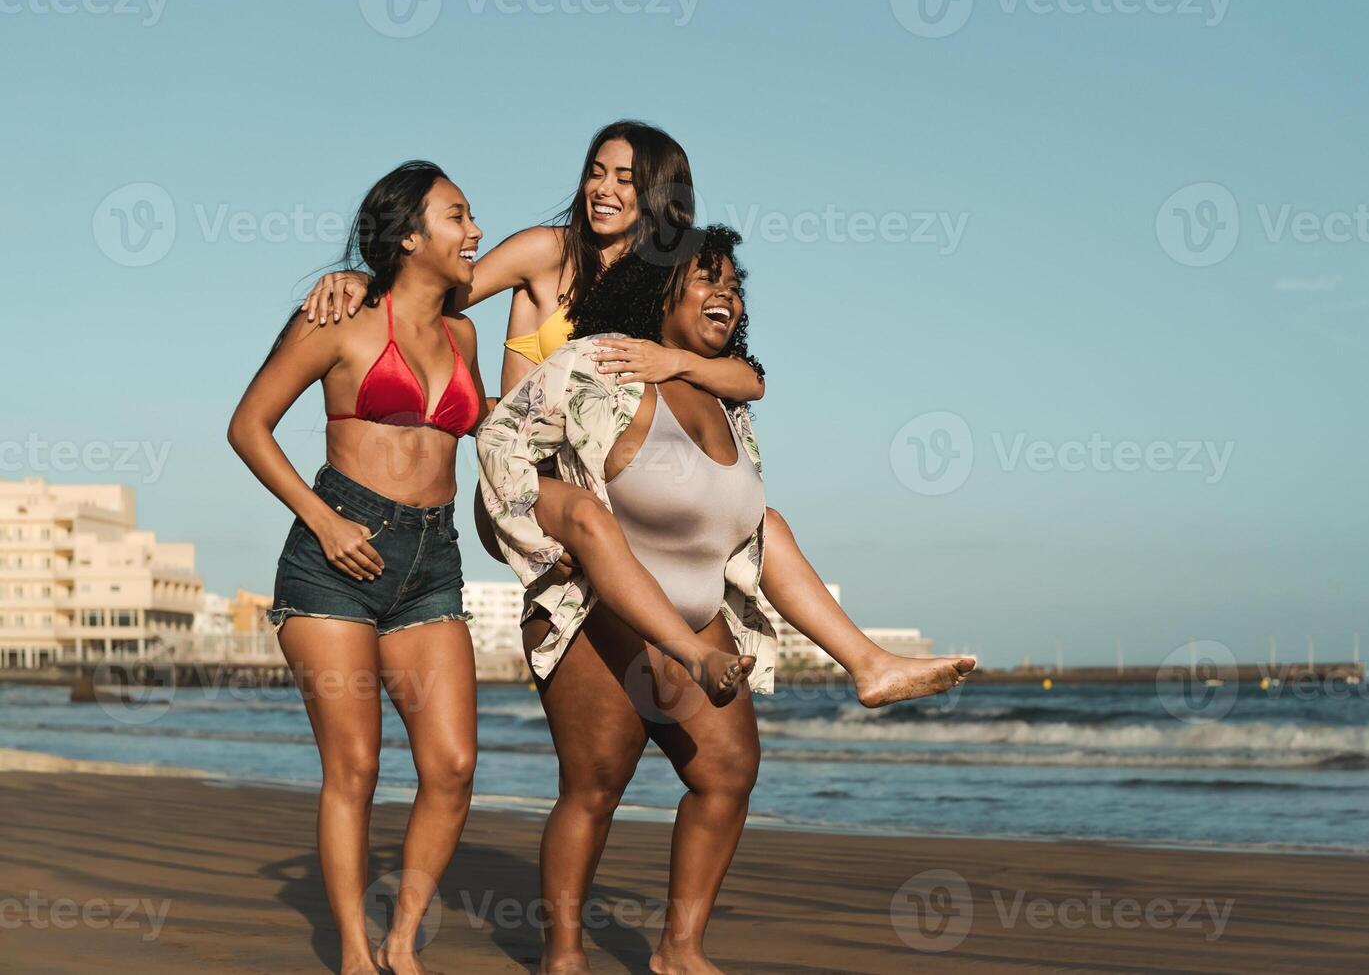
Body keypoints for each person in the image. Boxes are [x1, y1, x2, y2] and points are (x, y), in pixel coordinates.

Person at [303, 121, 974, 706]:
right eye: (596, 172)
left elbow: (747, 378)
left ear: (659, 194)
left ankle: (869, 664)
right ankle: (693, 651)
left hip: (617, 487)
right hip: (530, 483)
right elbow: (435, 289)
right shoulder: (545, 252)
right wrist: (363, 280)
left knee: (765, 523)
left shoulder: (666, 282)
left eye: (625, 178)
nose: (603, 188)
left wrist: (673, 362)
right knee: (593, 520)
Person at [479, 226, 973, 975]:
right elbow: (499, 437)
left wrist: (692, 366)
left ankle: (680, 951)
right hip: (598, 611)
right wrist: (536, 530)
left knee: (727, 774)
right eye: (705, 279)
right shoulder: (599, 363)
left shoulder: (725, 394)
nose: (726, 294)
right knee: (595, 786)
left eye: (734, 286)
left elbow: (731, 516)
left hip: (696, 613)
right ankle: (565, 957)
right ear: (659, 293)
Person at [228, 161, 486, 975]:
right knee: (357, 766)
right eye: (458, 215)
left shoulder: (466, 332)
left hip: (431, 561)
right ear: (410, 235)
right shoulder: (338, 319)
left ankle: (403, 943)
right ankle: (351, 950)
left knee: (451, 765)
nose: (474, 230)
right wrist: (323, 517)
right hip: (333, 560)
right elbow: (249, 425)